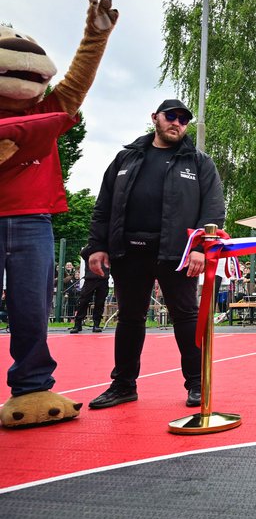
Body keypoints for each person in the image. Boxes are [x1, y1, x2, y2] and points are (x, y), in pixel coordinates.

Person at [85, 98, 225, 409]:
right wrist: (96, 246)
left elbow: (214, 209)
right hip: (128, 252)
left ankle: (197, 385)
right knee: (130, 319)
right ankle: (123, 385)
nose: (177, 123)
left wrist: (201, 247)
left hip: (176, 253)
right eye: (171, 116)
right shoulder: (126, 158)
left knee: (186, 318)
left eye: (183, 120)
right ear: (155, 118)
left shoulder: (199, 162)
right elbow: (103, 207)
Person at [69, 246, 110, 333]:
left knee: (100, 302)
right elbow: (83, 253)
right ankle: (78, 324)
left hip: (103, 279)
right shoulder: (90, 250)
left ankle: (96, 324)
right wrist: (93, 243)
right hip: (90, 279)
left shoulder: (108, 249)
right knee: (83, 301)